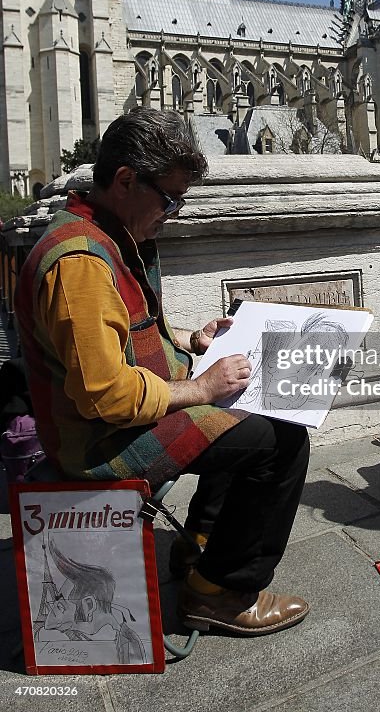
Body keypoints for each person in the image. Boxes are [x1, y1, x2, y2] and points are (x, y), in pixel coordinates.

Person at [16, 108, 310, 636]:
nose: (173, 212)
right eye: (170, 198)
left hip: (111, 419)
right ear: (125, 180)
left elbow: (120, 334)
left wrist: (186, 342)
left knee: (244, 411)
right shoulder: (79, 262)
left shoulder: (104, 233)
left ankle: (199, 546)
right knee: (282, 441)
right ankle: (219, 591)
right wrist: (199, 386)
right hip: (98, 442)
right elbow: (105, 396)